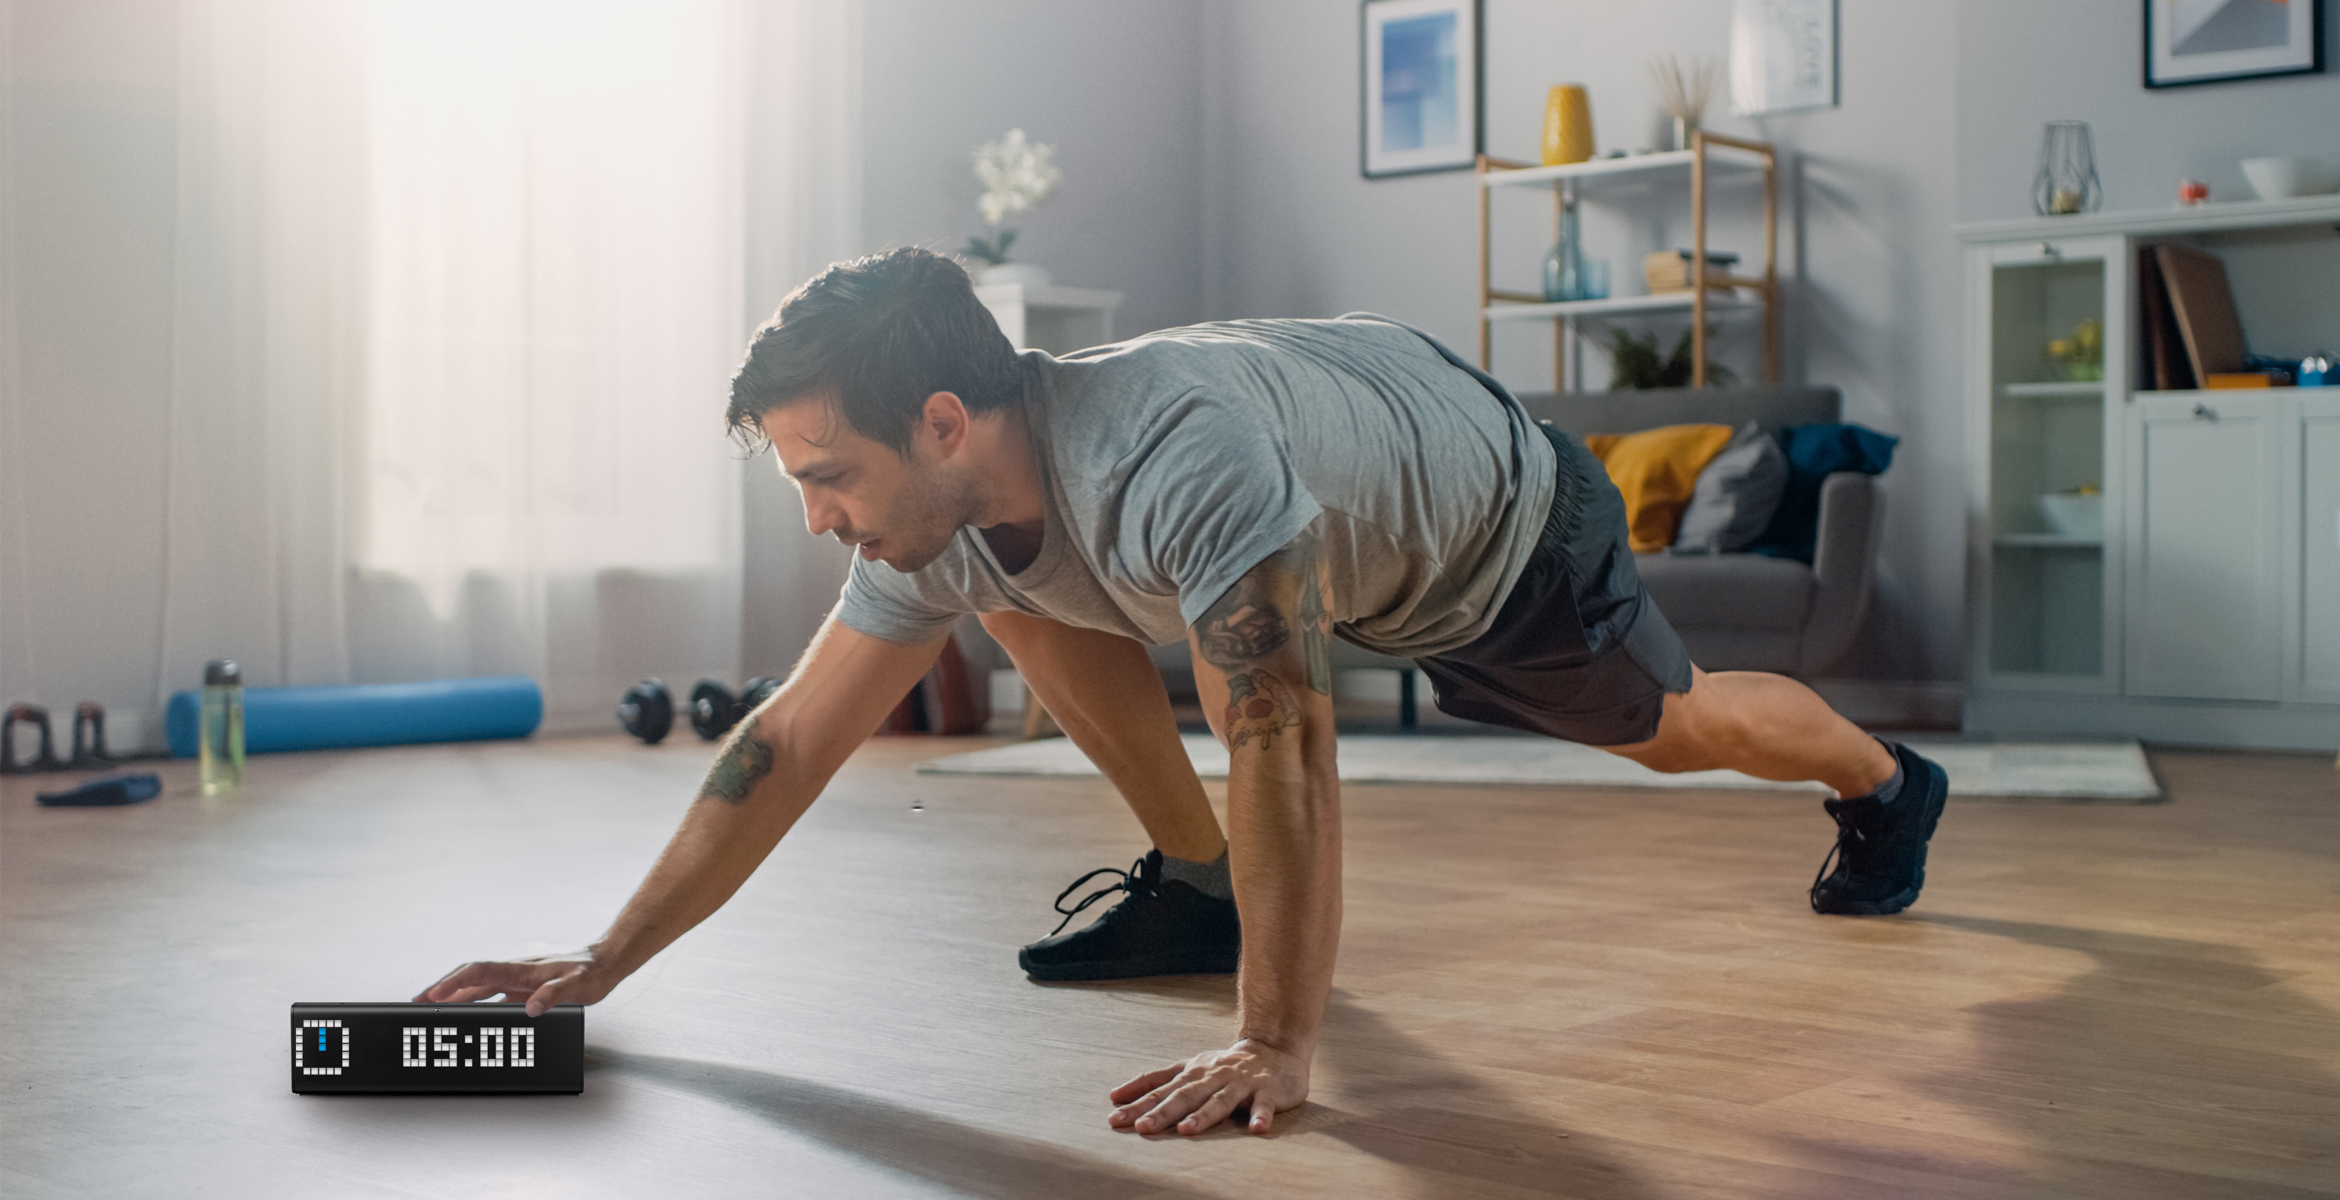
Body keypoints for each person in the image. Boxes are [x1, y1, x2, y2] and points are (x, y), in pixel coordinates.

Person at [419, 247, 1947, 1138]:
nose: (818, 514)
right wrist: (603, 958)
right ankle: (1195, 880)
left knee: (1676, 734)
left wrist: (1277, 1047)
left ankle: (1884, 781)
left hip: (1499, 532)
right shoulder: (952, 510)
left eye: (828, 476)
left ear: (945, 419)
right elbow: (791, 739)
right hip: (1340, 460)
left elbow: (1282, 729)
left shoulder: (1170, 466)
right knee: (1002, 596)